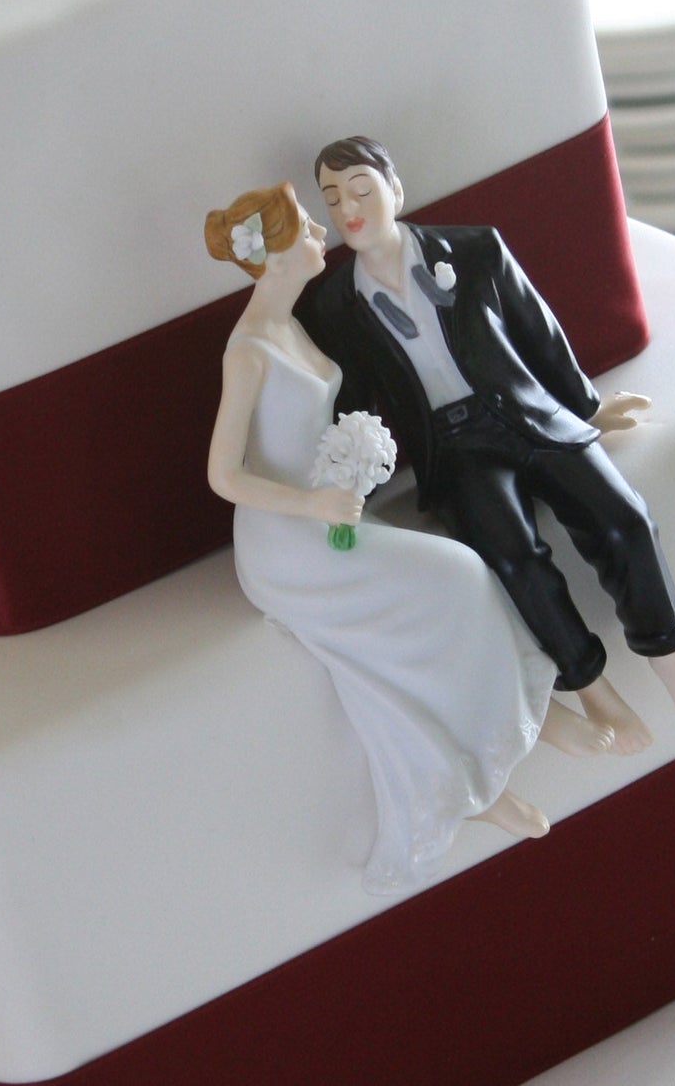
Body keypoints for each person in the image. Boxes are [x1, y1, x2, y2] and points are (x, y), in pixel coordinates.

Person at [297, 135, 675, 745]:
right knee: (513, 559)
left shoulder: (474, 249)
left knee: (622, 517)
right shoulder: (336, 304)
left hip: (527, 412)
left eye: (362, 190)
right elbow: (356, 400)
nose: (349, 210)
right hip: (453, 449)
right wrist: (352, 478)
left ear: (394, 189)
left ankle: (673, 659)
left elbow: (538, 330)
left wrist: (585, 407)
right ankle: (593, 691)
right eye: (333, 199)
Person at [205, 180, 563, 888]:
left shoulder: (293, 326)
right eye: (307, 228)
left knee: (461, 575)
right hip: (287, 545)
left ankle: (498, 745)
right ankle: (466, 780)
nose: (321, 234)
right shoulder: (246, 351)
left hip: (330, 514)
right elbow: (223, 475)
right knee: (454, 579)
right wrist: (311, 508)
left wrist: (353, 465)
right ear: (273, 255)